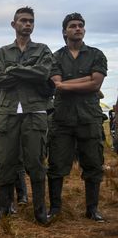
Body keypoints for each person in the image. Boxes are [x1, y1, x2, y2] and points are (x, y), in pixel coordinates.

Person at [0, 7, 54, 224]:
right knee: (6, 161)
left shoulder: (43, 50)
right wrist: (26, 72)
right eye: (23, 20)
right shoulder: (2, 52)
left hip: (34, 111)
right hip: (7, 112)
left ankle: (40, 211)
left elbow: (43, 74)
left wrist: (12, 70)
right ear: (13, 24)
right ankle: (2, 208)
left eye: (31, 21)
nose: (27, 24)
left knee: (35, 161)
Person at [47, 13, 107, 222]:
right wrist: (85, 80)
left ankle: (92, 209)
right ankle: (55, 208)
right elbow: (57, 84)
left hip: (89, 118)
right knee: (56, 166)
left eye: (81, 25)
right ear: (65, 31)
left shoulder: (96, 54)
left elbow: (96, 84)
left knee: (93, 164)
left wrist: (66, 84)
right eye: (72, 26)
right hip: (62, 119)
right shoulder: (54, 57)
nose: (78, 28)